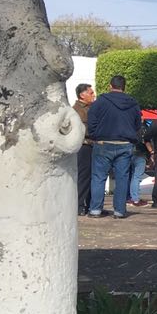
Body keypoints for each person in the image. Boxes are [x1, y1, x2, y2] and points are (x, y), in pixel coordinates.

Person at [86, 75, 140, 219]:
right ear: (124, 87)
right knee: (122, 178)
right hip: (125, 144)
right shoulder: (133, 104)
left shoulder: (101, 102)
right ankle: (119, 211)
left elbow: (91, 120)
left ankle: (95, 210)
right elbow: (137, 125)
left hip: (103, 143)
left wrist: (94, 134)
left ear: (110, 86)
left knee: (98, 177)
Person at [73, 83, 95, 215]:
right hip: (83, 146)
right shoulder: (77, 110)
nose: (93, 95)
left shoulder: (91, 108)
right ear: (82, 95)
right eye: (91, 93)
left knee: (93, 177)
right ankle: (79, 205)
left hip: (92, 145)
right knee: (83, 177)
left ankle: (91, 205)